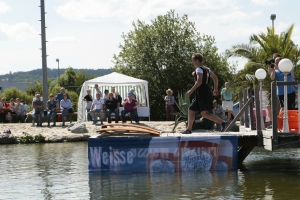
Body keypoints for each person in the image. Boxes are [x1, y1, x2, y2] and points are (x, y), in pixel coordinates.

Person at [182, 53, 226, 134]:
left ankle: (222, 122)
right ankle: (189, 129)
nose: (192, 62)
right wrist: (215, 89)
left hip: (201, 93)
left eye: (193, 60)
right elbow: (215, 78)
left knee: (204, 114)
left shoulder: (199, 69)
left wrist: (190, 91)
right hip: (205, 92)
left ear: (197, 60)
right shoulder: (207, 69)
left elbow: (199, 82)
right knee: (192, 110)